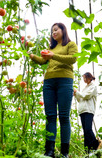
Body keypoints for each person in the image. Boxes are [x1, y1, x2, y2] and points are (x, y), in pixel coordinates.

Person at [30, 23, 78, 158]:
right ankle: (49, 151)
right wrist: (33, 56)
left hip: (65, 81)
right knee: (50, 116)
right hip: (49, 82)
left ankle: (65, 152)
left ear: (63, 30)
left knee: (64, 116)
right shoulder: (51, 48)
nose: (54, 32)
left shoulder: (70, 45)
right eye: (52, 31)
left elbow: (73, 59)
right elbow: (42, 61)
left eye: (56, 30)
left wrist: (53, 56)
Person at [74, 72, 101, 154]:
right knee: (85, 131)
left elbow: (86, 96)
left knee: (88, 129)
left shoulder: (93, 86)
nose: (84, 80)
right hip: (82, 110)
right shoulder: (85, 87)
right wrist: (76, 94)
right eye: (83, 78)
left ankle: (96, 144)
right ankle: (87, 151)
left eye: (85, 78)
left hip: (89, 110)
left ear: (90, 78)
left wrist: (77, 92)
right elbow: (80, 99)